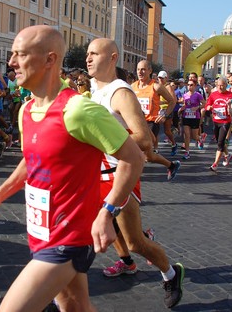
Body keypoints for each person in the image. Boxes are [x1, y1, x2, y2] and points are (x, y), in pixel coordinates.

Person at [0, 25, 145, 311]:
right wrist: (0, 193)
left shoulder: (79, 110)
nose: (12, 62)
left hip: (69, 239)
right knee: (75, 308)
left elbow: (134, 158)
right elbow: (32, 160)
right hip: (40, 232)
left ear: (50, 60)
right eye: (12, 55)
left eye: (21, 54)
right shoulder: (26, 109)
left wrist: (107, 212)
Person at [87, 38, 185, 309]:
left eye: (95, 53)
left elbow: (145, 140)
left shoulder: (121, 93)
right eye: (87, 53)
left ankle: (171, 274)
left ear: (113, 58)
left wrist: (105, 140)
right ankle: (127, 265)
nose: (88, 58)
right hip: (97, 173)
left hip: (120, 173)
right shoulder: (95, 91)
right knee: (106, 228)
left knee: (135, 242)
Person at [131, 63, 181, 181]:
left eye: (143, 69)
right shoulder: (133, 86)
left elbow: (172, 101)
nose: (140, 72)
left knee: (136, 150)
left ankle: (131, 179)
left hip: (151, 123)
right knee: (148, 156)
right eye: (138, 69)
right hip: (136, 122)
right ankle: (172, 165)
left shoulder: (156, 86)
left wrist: (164, 114)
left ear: (149, 71)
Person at [205, 77, 232, 170]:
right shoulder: (213, 95)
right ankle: (227, 155)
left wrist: (230, 107)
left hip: (225, 121)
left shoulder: (231, 95)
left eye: (222, 85)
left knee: (220, 142)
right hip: (216, 121)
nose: (220, 87)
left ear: (226, 85)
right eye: (218, 85)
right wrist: (209, 107)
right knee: (219, 142)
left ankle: (215, 164)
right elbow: (207, 105)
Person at [179, 79, 205, 159]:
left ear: (195, 86)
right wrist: (182, 109)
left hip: (195, 117)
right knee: (187, 135)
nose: (189, 86)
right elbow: (184, 104)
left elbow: (204, 103)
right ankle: (187, 152)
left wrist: (197, 107)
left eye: (191, 85)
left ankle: (200, 138)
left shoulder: (198, 95)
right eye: (188, 85)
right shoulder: (185, 95)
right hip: (186, 116)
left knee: (194, 137)